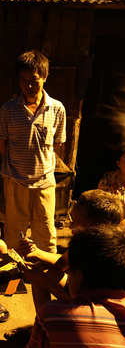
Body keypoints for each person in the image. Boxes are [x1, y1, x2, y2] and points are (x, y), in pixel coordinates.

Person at [0, 50, 66, 255]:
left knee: (46, 232)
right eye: (24, 80)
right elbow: (2, 144)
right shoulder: (8, 110)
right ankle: (13, 275)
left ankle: (45, 276)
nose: (29, 86)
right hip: (15, 180)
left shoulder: (57, 109)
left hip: (44, 182)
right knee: (14, 232)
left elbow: (57, 145)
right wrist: (14, 171)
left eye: (34, 81)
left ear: (45, 78)